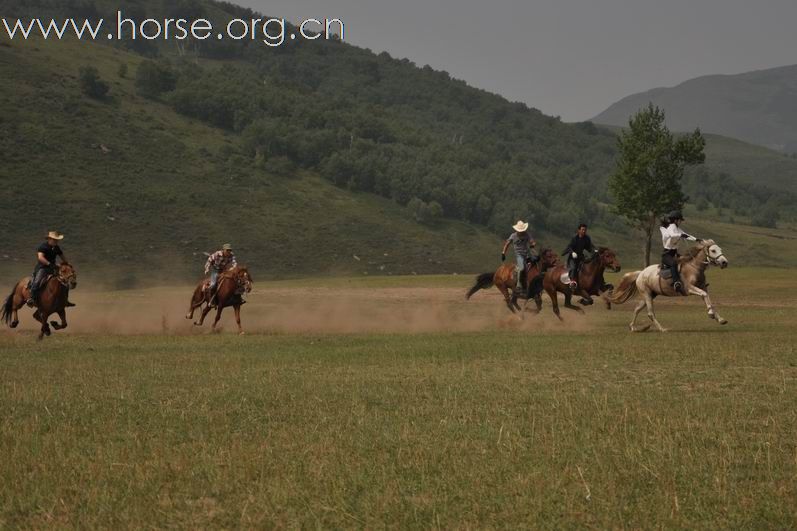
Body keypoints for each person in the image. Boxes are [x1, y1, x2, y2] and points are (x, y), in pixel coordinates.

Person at [27, 231, 75, 307]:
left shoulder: (56, 248)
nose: (56, 241)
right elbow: (40, 257)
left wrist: (67, 263)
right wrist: (49, 264)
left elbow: (62, 256)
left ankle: (65, 300)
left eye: (57, 240)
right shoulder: (43, 247)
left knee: (65, 280)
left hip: (54, 268)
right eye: (54, 239)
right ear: (49, 239)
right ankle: (31, 298)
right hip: (42, 268)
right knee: (37, 281)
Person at [660, 210, 701, 295]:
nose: (680, 222)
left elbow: (687, 235)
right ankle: (676, 283)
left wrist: (697, 239)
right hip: (667, 255)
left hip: (674, 253)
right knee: (674, 263)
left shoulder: (678, 229)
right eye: (680, 220)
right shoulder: (671, 228)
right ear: (676, 220)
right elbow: (672, 235)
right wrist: (681, 235)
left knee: (687, 262)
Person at [502, 220, 537, 291]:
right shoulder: (513, 235)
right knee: (521, 268)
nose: (521, 231)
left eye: (522, 230)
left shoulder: (527, 234)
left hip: (527, 253)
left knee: (537, 261)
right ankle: (518, 284)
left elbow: (532, 241)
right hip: (519, 255)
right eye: (520, 230)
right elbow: (507, 244)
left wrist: (533, 244)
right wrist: (503, 253)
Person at [562, 223, 594, 289]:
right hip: (572, 258)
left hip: (581, 257)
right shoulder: (574, 238)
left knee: (587, 266)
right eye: (582, 230)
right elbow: (569, 247)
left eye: (585, 230)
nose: (584, 231)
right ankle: (572, 282)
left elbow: (589, 247)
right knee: (573, 268)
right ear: (579, 230)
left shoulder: (587, 238)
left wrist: (594, 251)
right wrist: (572, 252)